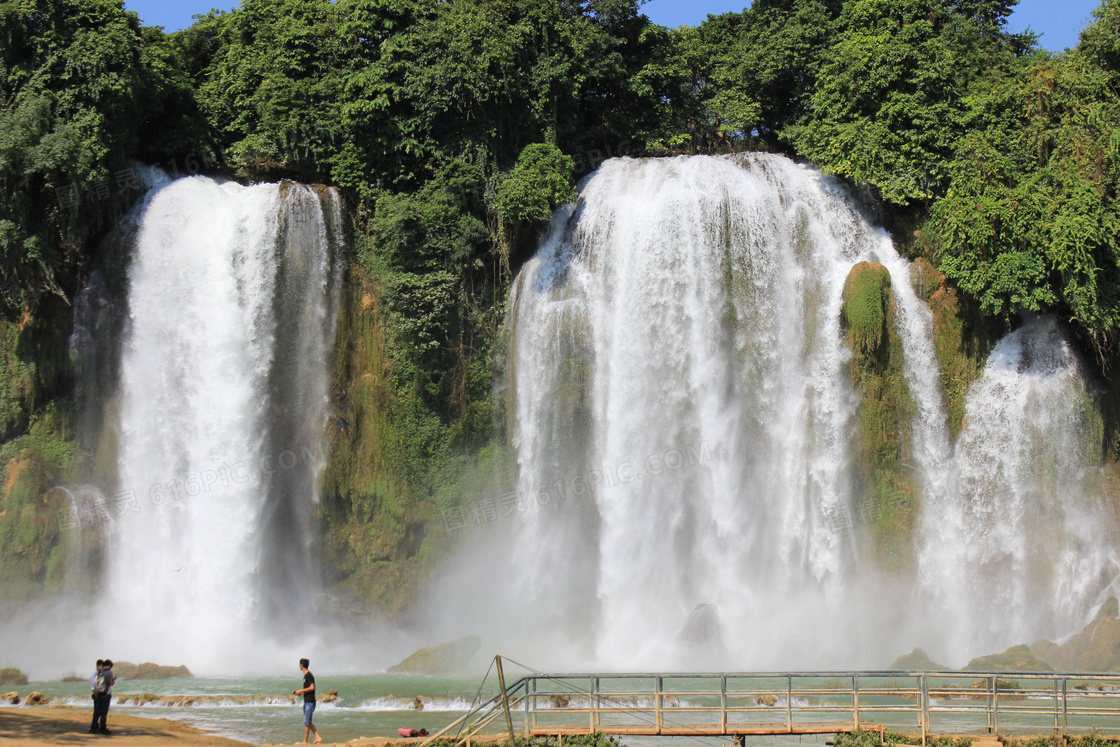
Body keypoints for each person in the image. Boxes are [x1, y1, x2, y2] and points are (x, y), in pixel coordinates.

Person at [294, 658, 323, 744]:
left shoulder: (308, 675)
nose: (299, 666)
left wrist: (301, 690)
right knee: (308, 721)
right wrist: (301, 692)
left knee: (307, 722)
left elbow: (312, 687)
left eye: (299, 664)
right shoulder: (306, 675)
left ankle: (305, 741)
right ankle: (317, 736)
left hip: (310, 702)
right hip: (307, 701)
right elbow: (309, 688)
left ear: (301, 665)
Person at [90, 658, 116, 735]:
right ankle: (103, 728)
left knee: (97, 712)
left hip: (98, 694)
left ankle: (93, 728)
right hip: (105, 694)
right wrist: (113, 679)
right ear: (109, 666)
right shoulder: (109, 672)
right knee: (104, 713)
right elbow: (111, 684)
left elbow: (93, 684)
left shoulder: (97, 672)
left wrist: (95, 694)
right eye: (111, 667)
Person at [89, 659, 103, 734]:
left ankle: (95, 726)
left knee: (98, 712)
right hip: (97, 695)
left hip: (98, 694)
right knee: (97, 712)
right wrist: (96, 696)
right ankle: (93, 727)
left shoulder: (98, 674)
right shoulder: (95, 674)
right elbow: (93, 687)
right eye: (102, 666)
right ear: (99, 666)